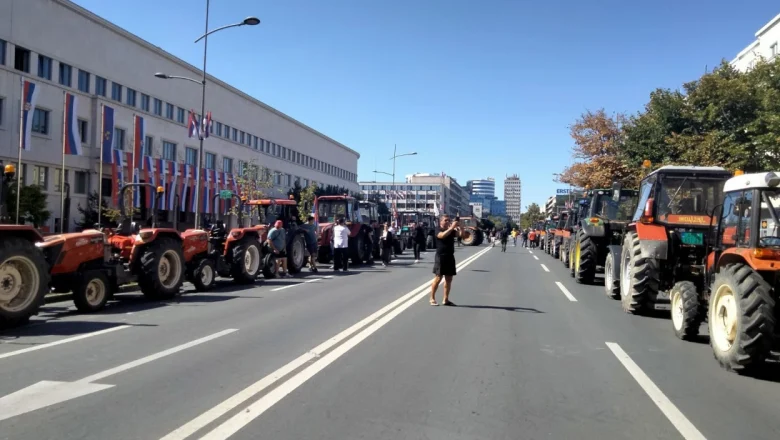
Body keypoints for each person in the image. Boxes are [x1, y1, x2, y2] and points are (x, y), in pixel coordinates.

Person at [429, 214, 464, 306]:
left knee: (449, 279)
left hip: (450, 256)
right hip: (441, 256)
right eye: (445, 220)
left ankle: (446, 299)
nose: (447, 222)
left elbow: (461, 235)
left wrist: (461, 227)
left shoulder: (451, 230)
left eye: (449, 220)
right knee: (438, 278)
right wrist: (452, 227)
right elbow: (441, 236)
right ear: (441, 221)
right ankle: (432, 298)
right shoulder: (437, 229)